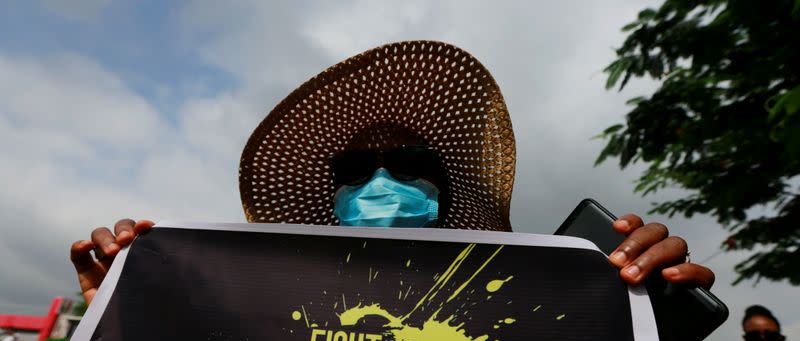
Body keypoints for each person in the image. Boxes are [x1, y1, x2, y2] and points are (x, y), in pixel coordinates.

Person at [69, 41, 715, 316]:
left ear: (446, 190)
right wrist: (120, 323)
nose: (381, 180)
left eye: (410, 166)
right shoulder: (266, 314)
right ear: (333, 195)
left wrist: (635, 310)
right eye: (355, 169)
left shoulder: (521, 311)